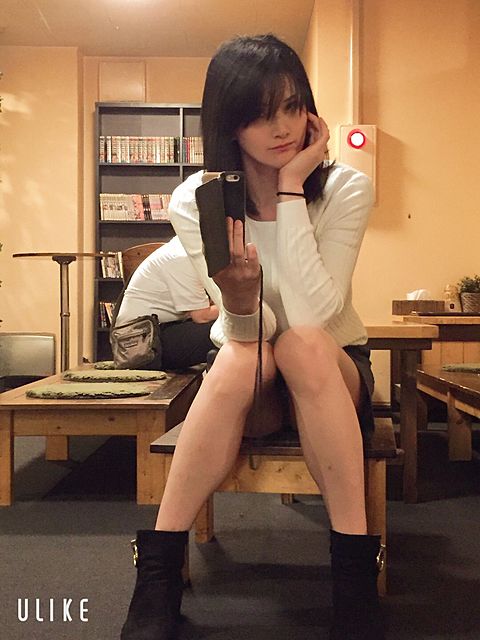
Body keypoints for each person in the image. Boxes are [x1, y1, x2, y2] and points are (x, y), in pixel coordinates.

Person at [120, 34, 384, 640]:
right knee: (244, 353)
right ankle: (156, 573)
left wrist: (291, 189)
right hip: (254, 376)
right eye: (260, 114)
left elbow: (315, 315)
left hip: (333, 370)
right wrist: (239, 302)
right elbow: (249, 331)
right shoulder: (198, 200)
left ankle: (353, 579)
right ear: (229, 123)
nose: (282, 127)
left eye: (292, 106)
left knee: (302, 345)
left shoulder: (345, 189)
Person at [115, 235, 218, 370]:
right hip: (142, 342)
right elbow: (202, 316)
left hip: (156, 331)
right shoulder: (182, 257)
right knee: (227, 331)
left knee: (228, 329)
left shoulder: (186, 249)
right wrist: (241, 308)